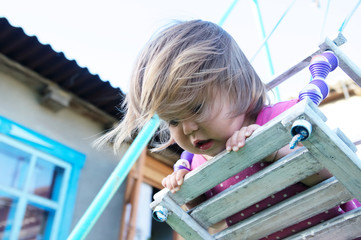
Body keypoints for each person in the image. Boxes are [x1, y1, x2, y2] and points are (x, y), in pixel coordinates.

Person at [97, 19, 360, 239]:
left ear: (238, 88)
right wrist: (189, 193)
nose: (187, 128)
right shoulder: (198, 163)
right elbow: (212, 220)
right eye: (173, 121)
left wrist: (271, 150)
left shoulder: (279, 119)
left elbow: (332, 174)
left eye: (197, 107)